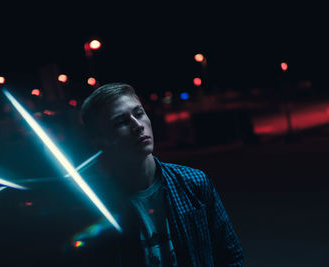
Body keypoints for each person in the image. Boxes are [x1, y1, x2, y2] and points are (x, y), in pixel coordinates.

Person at [79, 82, 244, 266]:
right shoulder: (96, 205)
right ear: (100, 141)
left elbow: (230, 256)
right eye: (121, 122)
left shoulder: (193, 183)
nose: (137, 125)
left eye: (139, 113)